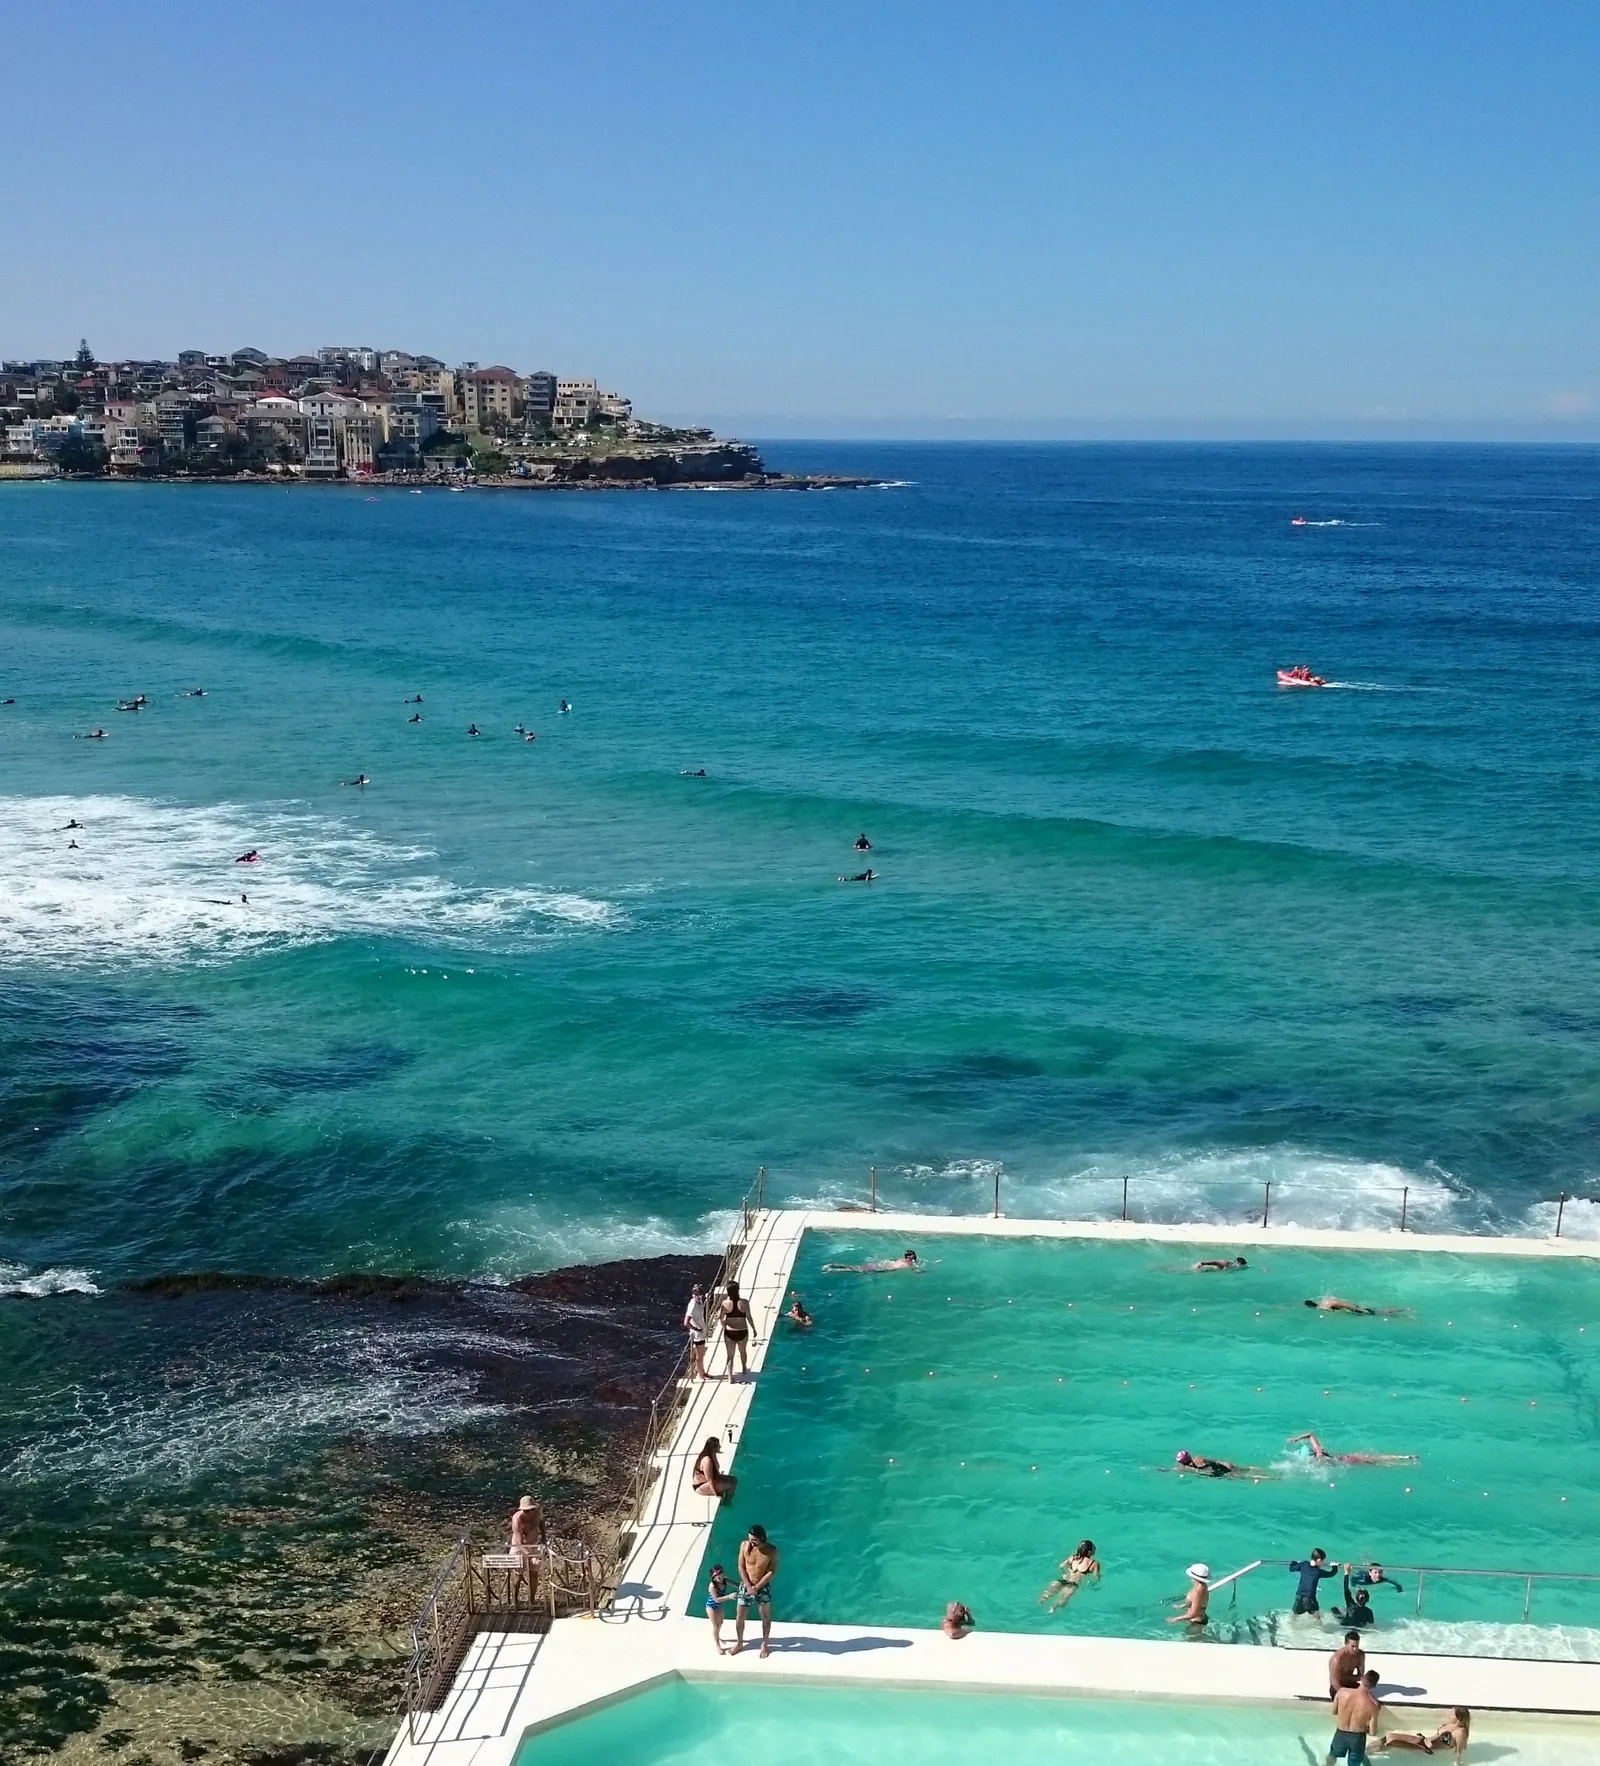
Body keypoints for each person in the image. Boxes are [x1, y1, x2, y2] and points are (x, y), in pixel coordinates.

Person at [735, 1524, 777, 1657]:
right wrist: (748, 1586)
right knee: (740, 1616)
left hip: (762, 1587)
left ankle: (764, 1644)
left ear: (762, 1538)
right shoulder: (744, 1545)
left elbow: (771, 1571)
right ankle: (740, 1642)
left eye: (754, 1540)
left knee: (765, 1617)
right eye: (750, 1539)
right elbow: (741, 1566)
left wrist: (757, 1587)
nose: (751, 1543)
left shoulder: (771, 1551)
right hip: (746, 1585)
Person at [1328, 1670, 1382, 1764]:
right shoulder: (1373, 1706)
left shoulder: (1341, 1692)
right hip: (1357, 1737)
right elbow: (1372, 1732)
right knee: (1354, 1762)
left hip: (1340, 1732)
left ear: (1361, 1679)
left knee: (1332, 1755)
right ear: (1373, 1686)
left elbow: (1334, 1711)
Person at [1375, 1709, 1470, 1757]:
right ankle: (1366, 1748)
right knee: (1389, 1736)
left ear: (1459, 1717)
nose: (1449, 1714)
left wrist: (1457, 1763)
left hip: (1427, 1750)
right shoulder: (1450, 1723)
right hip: (1423, 1741)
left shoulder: (1460, 1732)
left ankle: (1368, 1753)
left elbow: (1458, 1751)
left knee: (1392, 1741)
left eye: (1452, 1714)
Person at [1288, 1433, 1417, 1468]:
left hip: (1351, 1461)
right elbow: (1310, 1434)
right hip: (1349, 1456)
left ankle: (1406, 1460)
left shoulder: (1320, 1456)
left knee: (1379, 1463)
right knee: (1379, 1458)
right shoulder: (1319, 1452)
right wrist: (1297, 1438)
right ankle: (1405, 1458)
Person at [1038, 1540, 1101, 1611]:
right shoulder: (1093, 1563)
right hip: (1073, 1584)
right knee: (1063, 1599)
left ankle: (1040, 1602)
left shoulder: (1073, 1557)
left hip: (1063, 1580)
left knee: (1046, 1595)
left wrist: (1065, 1573)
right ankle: (1054, 1607)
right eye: (1093, 1547)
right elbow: (1096, 1578)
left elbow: (1061, 1566)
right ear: (1089, 1552)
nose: (1095, 1548)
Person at [509, 1495, 545, 1600]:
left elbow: (542, 1523)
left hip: (534, 1544)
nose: (529, 1513)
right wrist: (530, 1555)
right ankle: (515, 1600)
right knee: (518, 1574)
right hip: (519, 1547)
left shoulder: (538, 1513)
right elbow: (519, 1542)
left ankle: (532, 1599)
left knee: (534, 1572)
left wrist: (544, 1538)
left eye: (531, 1510)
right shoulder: (517, 1519)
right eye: (526, 1511)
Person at [720, 1278, 755, 1379]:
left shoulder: (725, 1304)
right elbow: (749, 1317)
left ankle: (730, 1377)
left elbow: (721, 1318)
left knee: (730, 1356)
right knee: (743, 1351)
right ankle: (744, 1368)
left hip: (730, 1332)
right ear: (738, 1290)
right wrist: (754, 1329)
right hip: (742, 1331)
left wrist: (725, 1324)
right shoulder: (744, 1302)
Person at [1291, 1549, 1339, 1615]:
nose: (1323, 1563)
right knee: (1317, 1617)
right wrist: (1334, 1566)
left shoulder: (1304, 1564)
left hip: (1299, 1596)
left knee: (1294, 1615)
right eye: (1323, 1561)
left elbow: (1291, 1568)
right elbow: (1331, 1574)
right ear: (1319, 1561)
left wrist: (1294, 1562)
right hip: (1309, 1599)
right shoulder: (1318, 1572)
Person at [705, 1563, 737, 1654]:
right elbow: (717, 1600)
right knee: (716, 1626)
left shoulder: (725, 1580)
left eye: (722, 1576)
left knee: (720, 1623)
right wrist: (729, 1596)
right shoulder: (712, 1586)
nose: (721, 1578)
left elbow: (736, 1585)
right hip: (711, 1606)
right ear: (714, 1578)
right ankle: (717, 1645)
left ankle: (717, 1636)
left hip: (719, 1606)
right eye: (718, 1578)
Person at [692, 1436, 736, 1502]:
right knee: (731, 1485)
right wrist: (716, 1494)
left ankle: (728, 1497)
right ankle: (727, 1502)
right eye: (718, 1445)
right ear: (713, 1448)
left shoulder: (713, 1454)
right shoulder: (707, 1460)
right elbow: (709, 1480)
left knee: (734, 1479)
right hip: (701, 1486)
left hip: (710, 1480)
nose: (720, 1447)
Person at [1172, 1449, 1268, 1478]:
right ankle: (1263, 1469)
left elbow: (1212, 1463)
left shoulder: (1194, 1463)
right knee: (1246, 1469)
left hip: (1222, 1469)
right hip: (1224, 1464)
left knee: (1244, 1476)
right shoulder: (1196, 1459)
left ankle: (1269, 1477)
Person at [1167, 1563, 1210, 1628]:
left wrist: (1175, 1619)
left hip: (1196, 1623)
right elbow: (1196, 1603)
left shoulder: (1198, 1591)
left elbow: (1193, 1614)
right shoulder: (1200, 1586)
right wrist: (1181, 1606)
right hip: (1198, 1620)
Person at [683, 1282, 709, 1380]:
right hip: (698, 1334)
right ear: (693, 1295)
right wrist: (696, 1329)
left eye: (700, 1294)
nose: (699, 1296)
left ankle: (702, 1372)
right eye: (697, 1294)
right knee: (700, 1355)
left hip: (702, 1331)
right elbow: (686, 1322)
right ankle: (701, 1374)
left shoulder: (700, 1301)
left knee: (700, 1354)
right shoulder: (692, 1305)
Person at [1329, 1631, 1366, 1699]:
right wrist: (1346, 1694)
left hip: (1350, 1683)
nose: (1355, 1649)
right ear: (1345, 1644)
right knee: (1346, 1699)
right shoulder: (1337, 1659)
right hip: (1338, 1686)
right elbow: (1334, 1682)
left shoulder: (1360, 1655)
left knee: (1365, 1695)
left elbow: (1361, 1676)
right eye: (1353, 1646)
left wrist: (1345, 1678)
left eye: (1357, 1646)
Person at [823, 1249, 919, 1273]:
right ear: (910, 1257)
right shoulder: (910, 1263)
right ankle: (833, 1270)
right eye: (913, 1255)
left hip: (880, 1265)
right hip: (883, 1269)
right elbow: (915, 1270)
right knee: (856, 1270)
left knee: (855, 1267)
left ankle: (833, 1265)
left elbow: (891, 1260)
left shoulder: (900, 1259)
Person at [1305, 1296, 1409, 1317]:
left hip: (1355, 1309)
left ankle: (1405, 1311)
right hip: (1353, 1309)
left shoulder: (1324, 1305)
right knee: (1378, 1312)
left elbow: (1338, 1302)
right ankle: (1403, 1310)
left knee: (1378, 1313)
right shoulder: (1322, 1303)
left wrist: (1360, 1310)